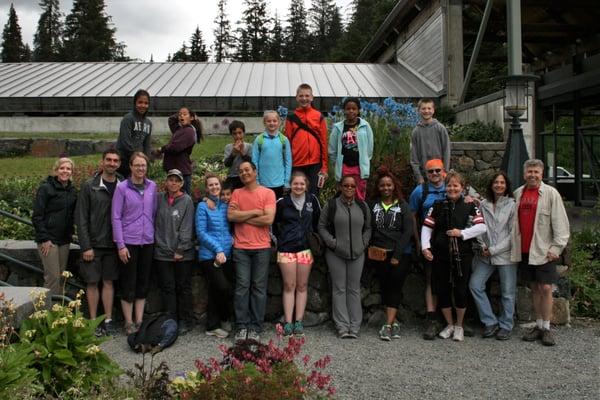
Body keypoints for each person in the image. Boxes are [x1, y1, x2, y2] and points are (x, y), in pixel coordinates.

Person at [421, 171, 486, 342]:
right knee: (442, 289)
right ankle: (449, 324)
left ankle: (459, 325)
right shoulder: (438, 205)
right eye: (449, 185)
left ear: (462, 188)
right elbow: (427, 226)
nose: (452, 188)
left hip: (462, 254)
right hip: (440, 254)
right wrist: (425, 247)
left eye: (456, 185)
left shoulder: (470, 205)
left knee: (461, 289)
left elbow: (481, 227)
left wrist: (462, 233)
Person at [511, 159, 570, 346]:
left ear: (542, 174)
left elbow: (561, 224)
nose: (532, 175)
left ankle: (546, 327)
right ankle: (538, 324)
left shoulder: (551, 194)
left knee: (546, 288)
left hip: (544, 250)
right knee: (535, 288)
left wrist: (557, 248)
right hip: (526, 249)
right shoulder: (518, 194)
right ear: (524, 174)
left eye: (536, 172)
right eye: (529, 172)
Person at [227, 157, 276, 343]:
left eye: (247, 170)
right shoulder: (237, 193)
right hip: (241, 247)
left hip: (262, 247)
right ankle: (241, 326)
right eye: (241, 171)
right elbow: (231, 216)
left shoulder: (268, 193)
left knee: (259, 288)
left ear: (255, 172)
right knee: (241, 288)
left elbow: (268, 220)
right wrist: (256, 212)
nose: (244, 173)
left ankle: (255, 327)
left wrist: (243, 217)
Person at [75, 149, 122, 336]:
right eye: (108, 160)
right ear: (102, 162)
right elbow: (81, 217)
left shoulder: (123, 184)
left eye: (115, 161)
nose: (112, 163)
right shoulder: (90, 186)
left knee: (109, 282)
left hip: (113, 244)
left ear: (119, 164)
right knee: (92, 282)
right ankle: (93, 322)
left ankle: (108, 320)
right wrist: (86, 245)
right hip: (93, 244)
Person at [318, 175, 371, 339]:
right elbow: (321, 226)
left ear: (356, 188)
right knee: (339, 288)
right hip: (335, 253)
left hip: (357, 253)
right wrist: (332, 243)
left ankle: (354, 326)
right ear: (340, 187)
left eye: (352, 186)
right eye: (346, 185)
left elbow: (368, 228)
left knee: (354, 289)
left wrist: (363, 244)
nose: (349, 188)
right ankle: (342, 326)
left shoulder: (362, 206)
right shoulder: (332, 205)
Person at [112, 152, 157, 335]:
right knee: (128, 283)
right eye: (137, 165)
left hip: (147, 241)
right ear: (130, 167)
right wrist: (120, 245)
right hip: (129, 241)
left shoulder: (152, 186)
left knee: (143, 282)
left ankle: (139, 320)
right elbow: (115, 217)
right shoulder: (122, 188)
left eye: (143, 165)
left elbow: (154, 211)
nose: (140, 169)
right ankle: (128, 321)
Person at [468, 171, 517, 340]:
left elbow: (513, 235)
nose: (499, 185)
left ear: (506, 185)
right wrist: (483, 245)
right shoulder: (483, 204)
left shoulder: (512, 205)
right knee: (475, 284)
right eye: (496, 182)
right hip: (485, 254)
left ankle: (506, 325)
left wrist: (494, 249)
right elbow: (478, 226)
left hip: (505, 255)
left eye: (502, 182)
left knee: (508, 292)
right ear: (491, 185)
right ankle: (490, 321)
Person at [367, 167, 413, 341]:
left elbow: (407, 231)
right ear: (378, 187)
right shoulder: (373, 205)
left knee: (395, 287)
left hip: (398, 254)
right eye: (382, 185)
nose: (386, 188)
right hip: (379, 254)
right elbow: (369, 228)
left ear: (394, 186)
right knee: (385, 287)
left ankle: (387, 326)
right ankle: (393, 323)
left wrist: (397, 255)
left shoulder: (403, 206)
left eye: (389, 185)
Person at [274, 171, 321, 337]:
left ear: (306, 185)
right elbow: (273, 224)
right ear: (290, 184)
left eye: (302, 184)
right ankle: (288, 322)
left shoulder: (312, 200)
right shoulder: (282, 202)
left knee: (302, 286)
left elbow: (318, 221)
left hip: (305, 249)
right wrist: (278, 240)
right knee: (289, 286)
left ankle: (299, 321)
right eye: (295, 183)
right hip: (286, 248)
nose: (299, 186)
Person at [408, 159, 447, 340]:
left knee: (450, 279)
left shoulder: (451, 187)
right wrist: (418, 242)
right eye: (430, 171)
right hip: (429, 242)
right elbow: (413, 217)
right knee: (430, 280)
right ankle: (432, 319)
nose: (434, 174)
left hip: (449, 241)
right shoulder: (420, 191)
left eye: (437, 170)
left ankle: (451, 319)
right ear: (426, 173)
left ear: (443, 171)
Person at [154, 169, 195, 335]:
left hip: (181, 254)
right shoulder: (159, 199)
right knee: (167, 288)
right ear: (166, 181)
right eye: (170, 180)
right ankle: (171, 319)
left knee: (183, 287)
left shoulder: (186, 201)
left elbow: (187, 227)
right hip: (162, 252)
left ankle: (186, 320)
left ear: (181, 183)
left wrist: (181, 248)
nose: (173, 183)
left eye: (177, 180)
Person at [196, 174, 235, 339]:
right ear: (207, 188)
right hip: (209, 256)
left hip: (226, 255)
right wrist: (218, 249)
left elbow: (229, 227)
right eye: (210, 185)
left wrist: (232, 240)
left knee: (215, 289)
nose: (214, 187)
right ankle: (225, 318)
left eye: (216, 184)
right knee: (222, 287)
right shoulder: (203, 207)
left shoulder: (225, 205)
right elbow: (201, 233)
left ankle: (212, 325)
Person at [32, 157, 77, 296]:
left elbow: (73, 215)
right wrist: (44, 238)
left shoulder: (72, 190)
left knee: (62, 277)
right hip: (48, 240)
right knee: (52, 278)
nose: (65, 171)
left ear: (72, 172)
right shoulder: (46, 188)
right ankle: (46, 314)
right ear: (56, 170)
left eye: (68, 169)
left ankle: (60, 313)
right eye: (62, 168)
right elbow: (37, 216)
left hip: (64, 240)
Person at [284, 83, 328, 196]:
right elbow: (287, 143)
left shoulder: (318, 116)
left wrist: (324, 167)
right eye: (301, 96)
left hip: (315, 164)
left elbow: (323, 143)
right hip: (297, 164)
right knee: (298, 194)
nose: (304, 98)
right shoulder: (291, 117)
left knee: (313, 196)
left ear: (312, 97)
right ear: (296, 97)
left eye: (307, 96)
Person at [329, 97, 374, 201]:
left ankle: (360, 215)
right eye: (348, 108)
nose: (351, 111)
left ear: (358, 110)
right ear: (344, 110)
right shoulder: (338, 128)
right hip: (344, 167)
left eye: (354, 108)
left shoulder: (365, 126)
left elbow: (370, 148)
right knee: (345, 194)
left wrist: (365, 161)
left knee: (359, 194)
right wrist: (336, 163)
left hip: (359, 167)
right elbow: (332, 150)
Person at [158, 107, 202, 195]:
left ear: (191, 118)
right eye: (180, 114)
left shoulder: (189, 131)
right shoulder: (180, 129)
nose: (181, 116)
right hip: (176, 171)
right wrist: (181, 113)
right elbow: (171, 120)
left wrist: (162, 149)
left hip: (182, 172)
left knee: (183, 200)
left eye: (185, 114)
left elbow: (175, 147)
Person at [252, 110, 292, 199]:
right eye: (269, 121)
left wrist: (286, 182)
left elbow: (288, 162)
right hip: (263, 183)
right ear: (264, 123)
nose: (272, 123)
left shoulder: (284, 140)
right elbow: (254, 162)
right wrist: (257, 181)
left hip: (280, 183)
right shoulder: (259, 140)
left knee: (279, 209)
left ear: (278, 122)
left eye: (274, 121)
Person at [410, 98, 450, 184]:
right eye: (423, 108)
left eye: (429, 108)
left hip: (439, 174)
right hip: (424, 176)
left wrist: (445, 171)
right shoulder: (416, 132)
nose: (426, 111)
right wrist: (419, 177)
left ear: (433, 110)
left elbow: (446, 151)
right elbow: (414, 157)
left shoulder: (440, 128)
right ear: (419, 111)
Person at [116, 89, 152, 177]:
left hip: (139, 164)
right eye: (140, 102)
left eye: (146, 103)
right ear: (135, 103)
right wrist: (137, 159)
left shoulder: (148, 123)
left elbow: (147, 145)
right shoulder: (128, 119)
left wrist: (146, 162)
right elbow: (125, 143)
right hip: (125, 163)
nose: (143, 105)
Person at [223, 120, 252, 190]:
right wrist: (233, 153)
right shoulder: (228, 147)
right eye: (234, 134)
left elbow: (251, 163)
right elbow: (227, 164)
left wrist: (242, 153)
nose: (238, 136)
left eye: (240, 133)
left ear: (244, 133)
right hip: (232, 176)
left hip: (246, 176)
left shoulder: (249, 146)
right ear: (231, 135)